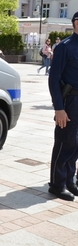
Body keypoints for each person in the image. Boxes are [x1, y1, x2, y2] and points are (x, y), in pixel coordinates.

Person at [47, 11, 78, 201]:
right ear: (76, 23)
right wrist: (59, 108)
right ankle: (57, 184)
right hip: (69, 102)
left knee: (76, 144)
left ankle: (69, 179)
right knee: (64, 142)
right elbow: (54, 79)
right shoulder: (64, 47)